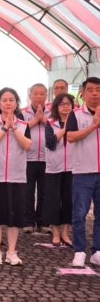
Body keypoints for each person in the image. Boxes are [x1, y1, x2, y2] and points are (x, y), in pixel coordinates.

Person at [0, 88, 31, 266]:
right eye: (4, 100)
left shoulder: (24, 125)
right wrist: (4, 128)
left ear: (16, 103)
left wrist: (14, 128)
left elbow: (27, 145)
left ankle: (12, 251)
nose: (8, 103)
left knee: (15, 216)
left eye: (11, 100)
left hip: (16, 176)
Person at [66, 76, 100, 267]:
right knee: (79, 213)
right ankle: (79, 251)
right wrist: (94, 125)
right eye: (91, 90)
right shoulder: (76, 115)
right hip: (83, 172)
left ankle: (97, 251)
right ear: (83, 93)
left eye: (98, 90)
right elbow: (70, 137)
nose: (95, 93)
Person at [43, 93, 74, 247]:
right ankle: (55, 232)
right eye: (62, 104)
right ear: (56, 106)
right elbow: (50, 143)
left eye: (68, 103)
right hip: (53, 168)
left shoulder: (77, 122)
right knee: (53, 201)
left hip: (73, 168)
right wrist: (64, 129)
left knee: (69, 200)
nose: (66, 106)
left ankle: (65, 233)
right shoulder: (50, 123)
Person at [21, 84, 51, 234]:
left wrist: (44, 121)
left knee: (45, 191)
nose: (39, 97)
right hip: (27, 158)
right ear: (30, 95)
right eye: (36, 94)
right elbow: (18, 130)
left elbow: (57, 129)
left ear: (46, 96)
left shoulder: (53, 113)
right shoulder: (22, 112)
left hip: (47, 158)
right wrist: (35, 120)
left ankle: (43, 222)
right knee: (27, 191)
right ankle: (28, 222)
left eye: (42, 94)